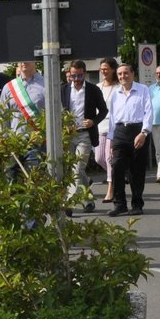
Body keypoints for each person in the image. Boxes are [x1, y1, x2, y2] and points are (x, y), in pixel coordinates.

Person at [105, 63, 153, 217]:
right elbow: (112, 118)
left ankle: (137, 204)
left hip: (137, 130)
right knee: (116, 167)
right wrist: (111, 139)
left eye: (126, 73)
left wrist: (144, 133)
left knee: (136, 170)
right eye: (119, 74)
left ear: (133, 74)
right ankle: (119, 204)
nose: (122, 76)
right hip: (119, 132)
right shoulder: (116, 94)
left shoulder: (143, 90)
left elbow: (148, 112)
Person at [62, 59, 108, 211]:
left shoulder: (93, 90)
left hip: (85, 135)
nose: (76, 80)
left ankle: (69, 203)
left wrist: (93, 121)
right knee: (73, 169)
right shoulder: (64, 89)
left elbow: (103, 110)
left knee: (77, 167)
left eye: (79, 76)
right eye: (73, 76)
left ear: (85, 74)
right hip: (68, 135)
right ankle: (89, 199)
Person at [95, 58, 119, 203]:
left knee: (109, 159)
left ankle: (111, 189)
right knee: (99, 158)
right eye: (101, 69)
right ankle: (118, 175)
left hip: (113, 127)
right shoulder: (97, 87)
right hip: (99, 127)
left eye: (106, 68)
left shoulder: (118, 87)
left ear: (112, 70)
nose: (103, 71)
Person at [2, 60, 46, 135]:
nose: (23, 62)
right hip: (16, 141)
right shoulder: (8, 87)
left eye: (27, 58)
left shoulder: (47, 84)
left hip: (41, 140)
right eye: (21, 58)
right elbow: (3, 117)